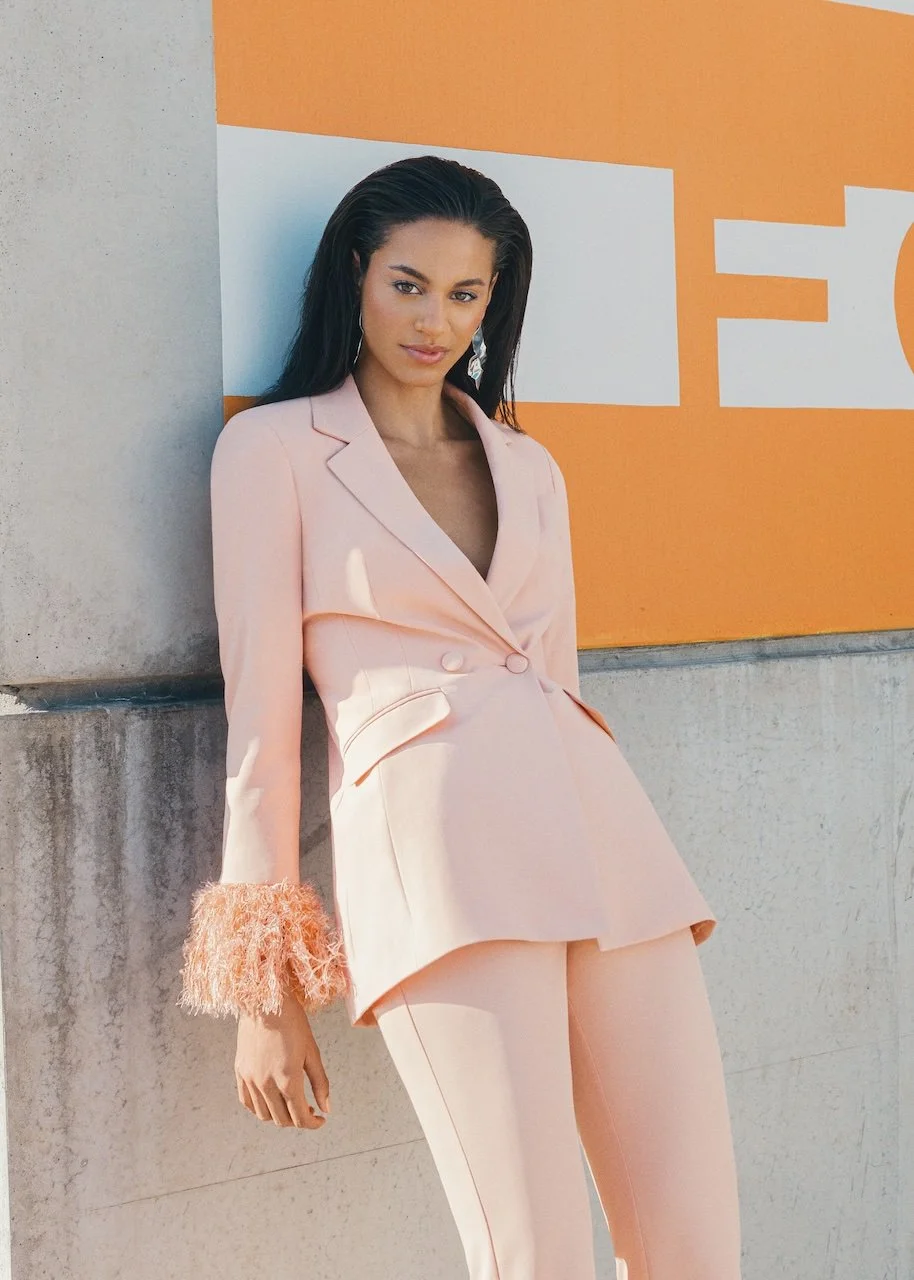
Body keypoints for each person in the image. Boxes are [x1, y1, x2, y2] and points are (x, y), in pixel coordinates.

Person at [178, 154, 743, 1279]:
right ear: (354, 274)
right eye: (407, 284)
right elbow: (259, 729)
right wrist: (264, 986)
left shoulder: (527, 464)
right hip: (442, 863)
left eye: (464, 293)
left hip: (607, 850)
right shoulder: (275, 450)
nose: (433, 319)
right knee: (531, 1255)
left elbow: (559, 675)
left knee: (694, 1246)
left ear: (493, 302)